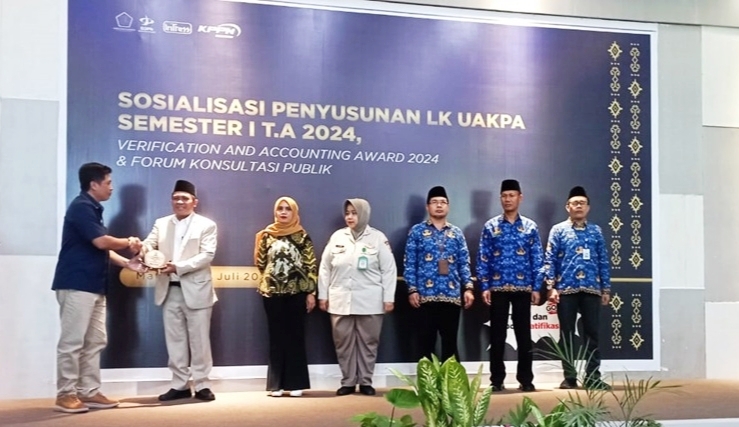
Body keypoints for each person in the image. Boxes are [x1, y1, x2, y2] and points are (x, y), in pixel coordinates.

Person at [52, 162, 144, 413]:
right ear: (94, 184)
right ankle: (65, 394)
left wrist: (127, 263)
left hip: (94, 285)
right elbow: (102, 242)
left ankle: (89, 391)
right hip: (76, 284)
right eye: (108, 182)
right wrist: (130, 241)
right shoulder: (81, 207)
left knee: (95, 341)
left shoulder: (93, 209)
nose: (111, 187)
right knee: (72, 342)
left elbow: (99, 248)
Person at [142, 180, 218, 401]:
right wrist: (141, 248)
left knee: (200, 340)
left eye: (184, 198)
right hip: (169, 289)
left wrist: (178, 267)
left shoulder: (207, 225)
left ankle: (202, 384)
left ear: (195, 202)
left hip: (197, 290)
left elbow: (207, 255)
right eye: (176, 198)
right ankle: (180, 384)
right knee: (175, 341)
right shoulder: (161, 223)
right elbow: (149, 244)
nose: (180, 202)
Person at [318, 198, 397, 396]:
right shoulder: (337, 237)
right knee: (343, 343)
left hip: (370, 300)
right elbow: (325, 268)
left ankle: (365, 381)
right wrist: (322, 294)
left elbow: (389, 270)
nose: (350, 217)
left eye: (354, 213)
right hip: (339, 299)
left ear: (364, 214)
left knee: (368, 343)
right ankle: (348, 381)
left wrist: (389, 298)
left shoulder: (378, 238)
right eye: (347, 213)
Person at [476, 179, 544, 392]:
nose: (508, 199)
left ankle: (526, 379)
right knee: (497, 335)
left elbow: (537, 259)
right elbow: (483, 257)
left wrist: (536, 287)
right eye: (504, 196)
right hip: (497, 288)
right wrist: (484, 286)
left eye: (511, 195)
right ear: (500, 199)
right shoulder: (491, 226)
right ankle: (497, 380)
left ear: (520, 198)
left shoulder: (530, 227)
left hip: (523, 288)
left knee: (524, 335)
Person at [544, 186, 611, 390]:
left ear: (588, 207)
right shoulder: (558, 230)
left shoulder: (596, 231)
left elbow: (603, 260)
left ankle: (593, 377)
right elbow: (550, 259)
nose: (579, 206)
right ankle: (569, 377)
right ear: (568, 207)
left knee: (592, 334)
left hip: (591, 288)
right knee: (566, 334)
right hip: (566, 289)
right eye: (575, 203)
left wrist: (606, 289)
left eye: (582, 203)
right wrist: (550, 287)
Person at [403, 186, 474, 363]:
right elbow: (410, 263)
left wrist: (468, 288)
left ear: (448, 206)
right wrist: (412, 289)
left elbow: (464, 262)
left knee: (450, 344)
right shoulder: (417, 232)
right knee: (425, 344)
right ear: (427, 207)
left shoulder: (456, 233)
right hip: (425, 296)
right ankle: (428, 381)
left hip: (451, 296)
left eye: (443, 202)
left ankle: (450, 380)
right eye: (434, 202)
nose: (439, 205)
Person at [255, 196, 317, 397]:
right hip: (272, 293)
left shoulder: (302, 236)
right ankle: (276, 384)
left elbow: (310, 266)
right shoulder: (266, 235)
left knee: (295, 337)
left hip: (297, 293)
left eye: (287, 209)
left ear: (294, 212)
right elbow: (261, 262)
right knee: (276, 337)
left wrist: (311, 292)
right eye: (280, 208)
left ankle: (296, 383)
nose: (283, 212)